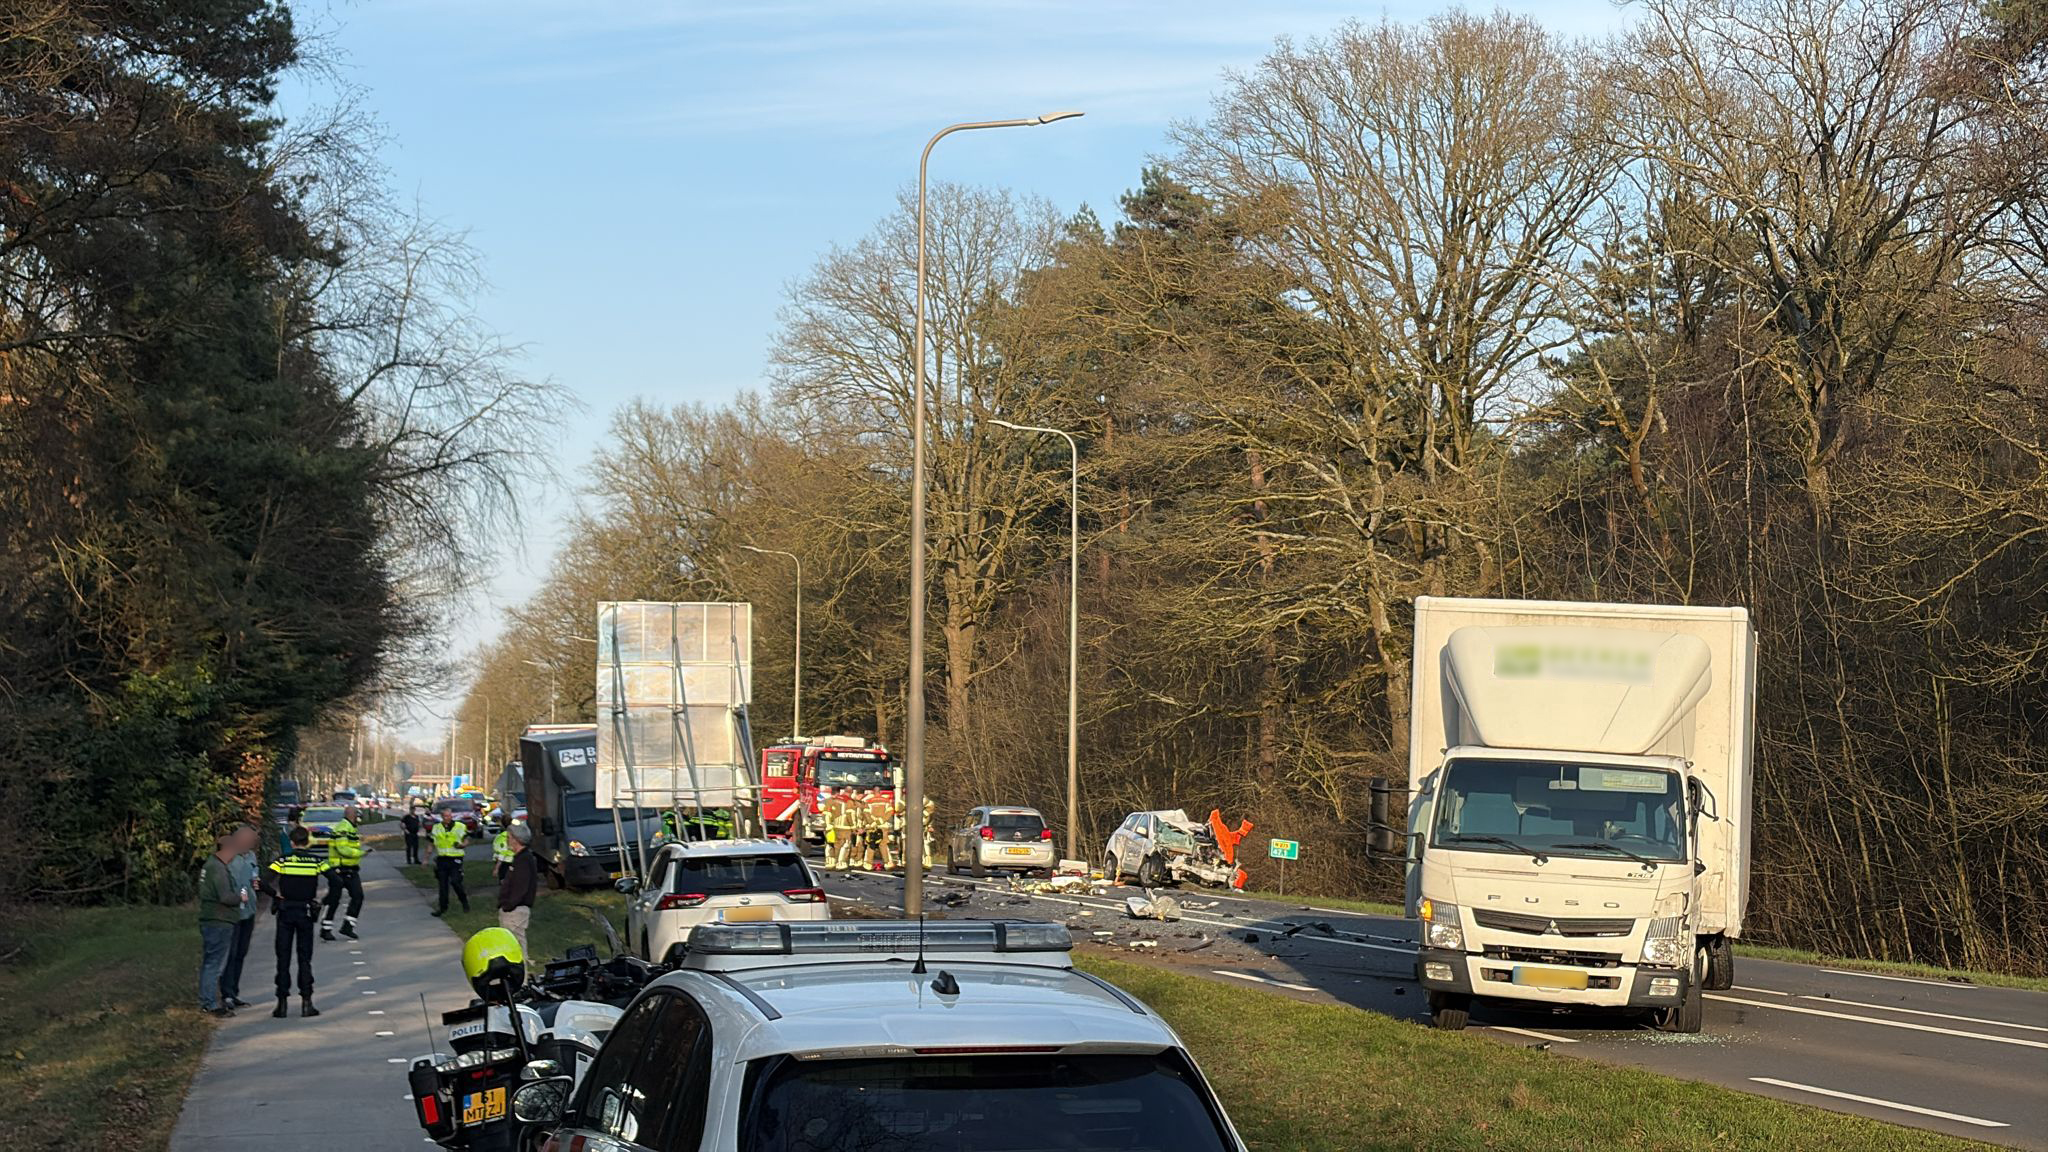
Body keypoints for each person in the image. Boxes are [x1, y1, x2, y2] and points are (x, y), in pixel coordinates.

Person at [263, 825, 330, 1018]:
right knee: (304, 958)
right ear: (307, 841)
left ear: (292, 843)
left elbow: (262, 881)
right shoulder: (316, 861)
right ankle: (307, 1002)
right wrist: (323, 900)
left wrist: (275, 896)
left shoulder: (283, 860)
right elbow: (335, 880)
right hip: (306, 912)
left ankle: (281, 1003)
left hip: (285, 912)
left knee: (283, 958)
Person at [197, 825, 253, 1016]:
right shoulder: (218, 869)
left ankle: (212, 999)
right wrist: (241, 898)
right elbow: (225, 896)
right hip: (219, 919)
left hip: (217, 919)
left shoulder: (213, 866)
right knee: (215, 963)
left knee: (213, 961)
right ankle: (209, 1002)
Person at [220, 825, 261, 1009]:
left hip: (249, 910)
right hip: (233, 911)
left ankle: (234, 991)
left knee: (241, 953)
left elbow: (255, 878)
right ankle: (226, 993)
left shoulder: (251, 856)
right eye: (250, 841)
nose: (252, 844)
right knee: (231, 953)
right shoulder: (228, 857)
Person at [320, 805, 367, 941]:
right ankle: (326, 929)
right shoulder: (343, 828)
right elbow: (342, 849)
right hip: (340, 870)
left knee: (357, 896)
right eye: (357, 815)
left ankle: (347, 926)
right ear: (351, 815)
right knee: (334, 899)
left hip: (350, 869)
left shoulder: (350, 827)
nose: (358, 818)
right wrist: (360, 853)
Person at [497, 824, 538, 959]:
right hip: (512, 909)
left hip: (515, 911)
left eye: (509, 837)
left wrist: (509, 905)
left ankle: (522, 978)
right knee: (510, 948)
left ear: (516, 839)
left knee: (516, 948)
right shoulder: (519, 858)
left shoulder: (524, 860)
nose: (507, 840)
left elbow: (521, 886)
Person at [430, 807, 471, 917]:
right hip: (442, 859)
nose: (448, 818)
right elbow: (432, 843)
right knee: (443, 885)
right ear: (442, 817)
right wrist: (426, 858)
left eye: (449, 816)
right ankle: (442, 908)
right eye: (446, 816)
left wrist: (462, 845)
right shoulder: (436, 828)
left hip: (455, 859)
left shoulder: (460, 826)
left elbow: (467, 839)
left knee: (455, 882)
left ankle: (464, 902)